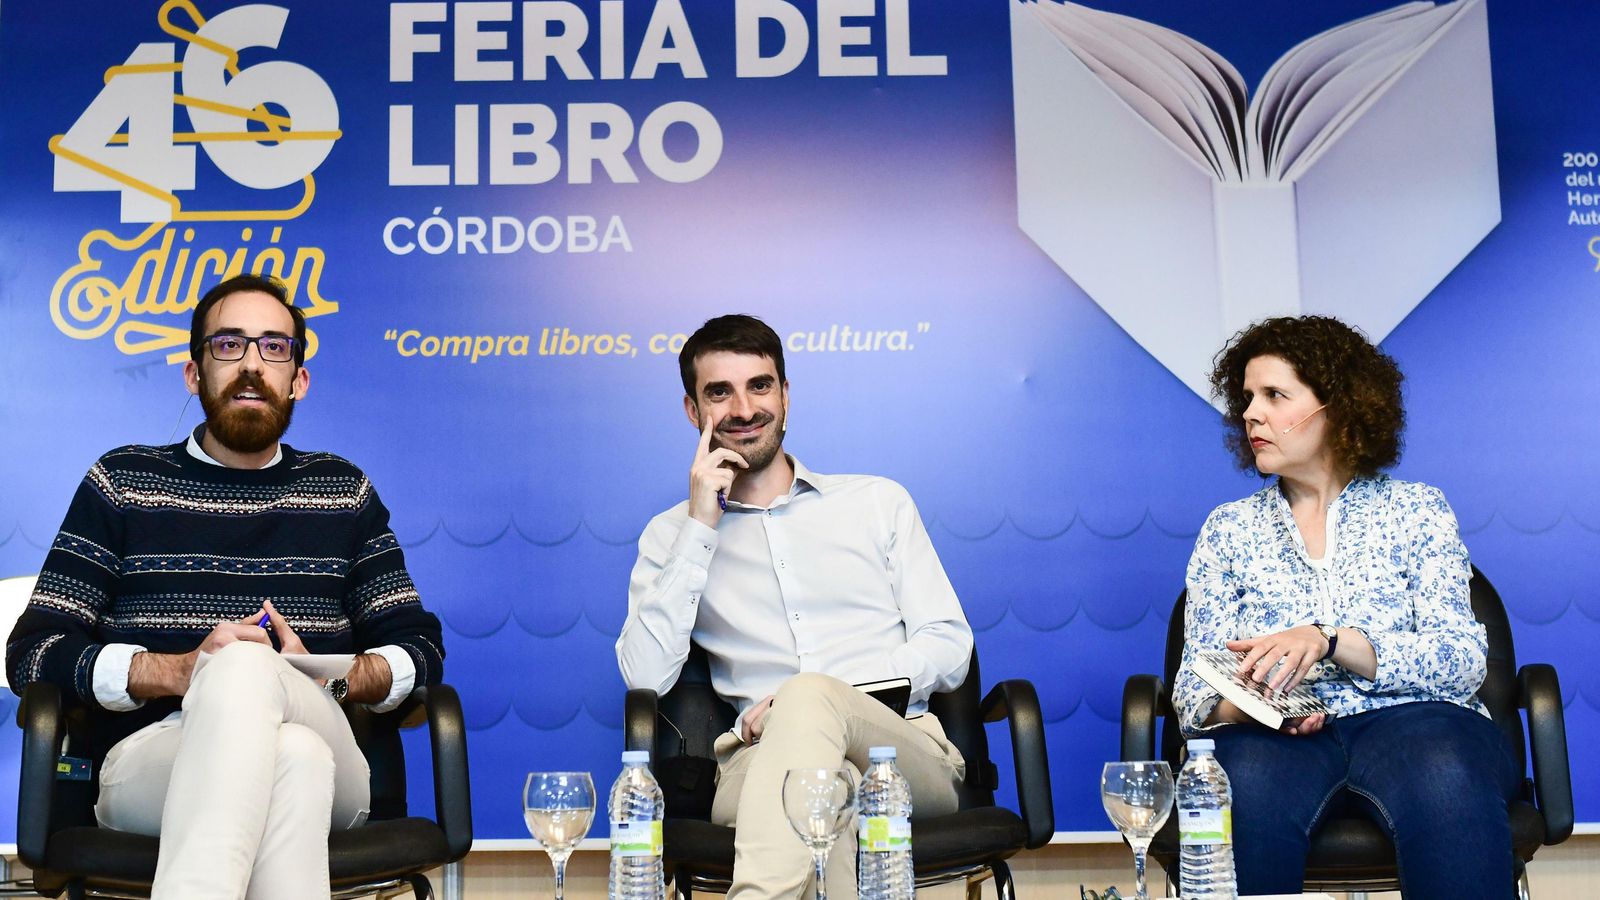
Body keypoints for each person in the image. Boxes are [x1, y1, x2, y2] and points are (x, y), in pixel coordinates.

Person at [6, 274, 445, 900]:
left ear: (299, 379)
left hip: (333, 750)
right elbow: (33, 651)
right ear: (193, 373)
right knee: (290, 755)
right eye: (229, 345)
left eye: (274, 348)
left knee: (253, 677)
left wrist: (323, 678)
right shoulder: (122, 482)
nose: (251, 365)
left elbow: (420, 652)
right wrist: (177, 671)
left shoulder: (342, 492)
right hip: (151, 762)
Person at [618, 315, 972, 900]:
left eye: (759, 385)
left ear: (785, 395)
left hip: (901, 753)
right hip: (754, 766)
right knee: (829, 793)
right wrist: (701, 526)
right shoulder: (670, 536)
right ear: (692, 411)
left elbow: (949, 642)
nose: (743, 407)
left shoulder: (877, 503)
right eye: (719, 392)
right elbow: (645, 676)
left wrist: (811, 696)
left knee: (809, 696)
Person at [1174, 315, 1518, 896]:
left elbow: (1462, 661)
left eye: (1275, 396)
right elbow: (1192, 688)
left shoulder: (1419, 511)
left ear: (1337, 407)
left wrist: (1330, 641)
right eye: (1248, 398)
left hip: (1417, 721)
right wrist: (1252, 708)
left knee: (1444, 769)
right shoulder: (1227, 530)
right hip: (1275, 740)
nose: (1251, 413)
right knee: (1243, 785)